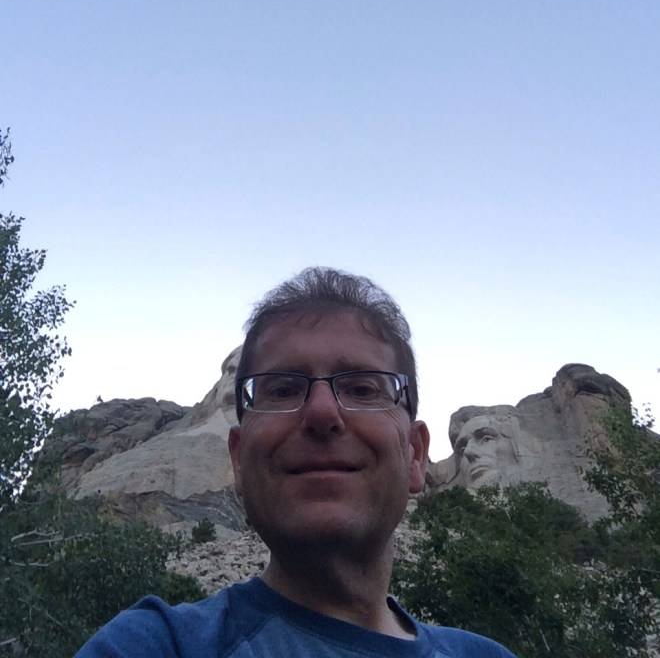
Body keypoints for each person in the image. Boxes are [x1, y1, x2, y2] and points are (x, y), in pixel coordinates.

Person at [75, 267, 518, 657]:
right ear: (238, 459)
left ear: (416, 455)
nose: (322, 412)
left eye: (363, 389)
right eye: (283, 389)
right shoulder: (157, 646)